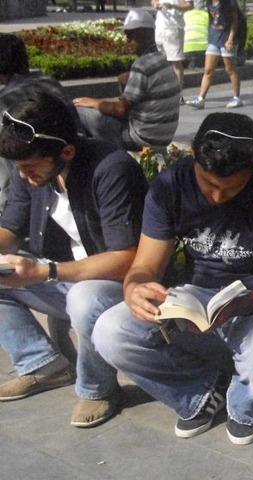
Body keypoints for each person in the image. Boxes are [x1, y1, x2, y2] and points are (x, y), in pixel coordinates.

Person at [93, 113, 253, 446]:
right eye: (209, 185)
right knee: (110, 331)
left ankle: (244, 405)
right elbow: (145, 265)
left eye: (231, 188)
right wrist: (134, 287)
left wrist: (242, 304)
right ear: (193, 154)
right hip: (196, 294)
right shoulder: (170, 186)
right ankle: (198, 393)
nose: (218, 197)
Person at [0, 92, 149, 428]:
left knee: (85, 296)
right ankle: (42, 365)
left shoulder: (111, 168)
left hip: (118, 285)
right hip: (61, 276)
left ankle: (98, 389)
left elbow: (126, 259)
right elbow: (10, 228)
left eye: (30, 167)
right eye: (19, 167)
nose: (23, 176)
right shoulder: (34, 169)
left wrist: (47, 272)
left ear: (65, 151)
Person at [74, 9, 181, 151]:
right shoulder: (162, 59)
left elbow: (121, 110)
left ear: (143, 34)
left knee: (80, 110)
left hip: (141, 138)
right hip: (163, 136)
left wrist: (93, 102)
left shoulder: (142, 65)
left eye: (130, 36)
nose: (127, 41)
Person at [0, 33, 80, 213]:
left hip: (44, 174)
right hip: (67, 165)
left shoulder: (4, 103)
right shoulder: (49, 82)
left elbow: (7, 171)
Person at [186, 0, 243, 109]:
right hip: (214, 39)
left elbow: (235, 21)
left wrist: (230, 39)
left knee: (230, 69)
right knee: (208, 70)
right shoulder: (208, 2)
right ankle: (201, 99)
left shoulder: (229, 2)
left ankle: (236, 98)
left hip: (227, 40)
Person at [152, 0, 194, 103]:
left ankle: (178, 95)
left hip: (174, 29)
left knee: (176, 62)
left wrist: (173, 6)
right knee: (162, 62)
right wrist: (155, 4)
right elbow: (154, 1)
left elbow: (189, 5)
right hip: (160, 28)